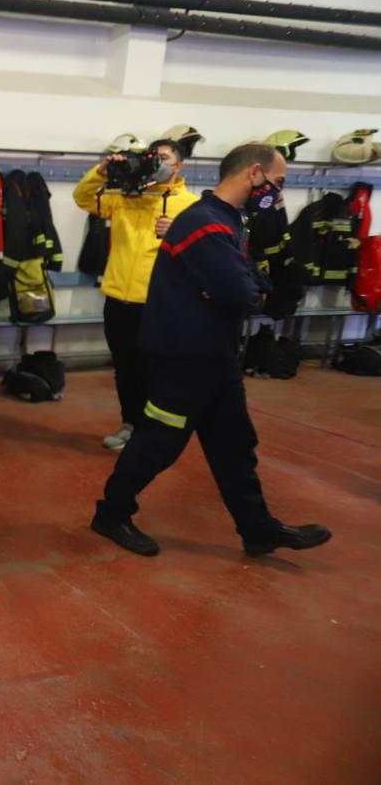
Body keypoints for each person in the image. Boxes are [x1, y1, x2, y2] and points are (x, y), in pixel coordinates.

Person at [90, 144, 332, 558]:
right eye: (278, 182)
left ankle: (257, 530)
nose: (280, 192)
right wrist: (244, 287)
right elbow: (239, 291)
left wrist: (244, 285)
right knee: (156, 444)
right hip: (184, 357)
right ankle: (111, 515)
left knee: (235, 445)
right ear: (254, 173)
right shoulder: (203, 223)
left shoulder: (225, 220)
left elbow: (250, 280)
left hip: (215, 357)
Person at [73, 137, 198, 450]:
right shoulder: (125, 199)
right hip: (118, 299)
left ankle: (155, 432)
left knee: (156, 370)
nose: (159, 163)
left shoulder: (192, 206)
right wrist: (101, 172)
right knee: (125, 370)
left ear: (179, 165)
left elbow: (205, 253)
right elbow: (83, 197)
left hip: (158, 304)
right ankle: (131, 424)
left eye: (166, 158)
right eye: (154, 157)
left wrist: (180, 233)